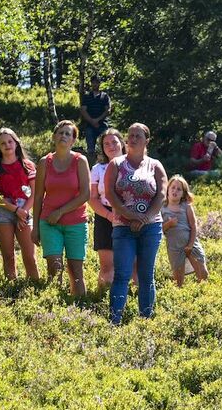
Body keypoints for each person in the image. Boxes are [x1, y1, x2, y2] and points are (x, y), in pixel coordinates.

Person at [104, 123, 168, 324]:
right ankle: (115, 320)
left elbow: (162, 194)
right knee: (122, 275)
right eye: (130, 135)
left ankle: (145, 320)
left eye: (137, 136)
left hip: (151, 227)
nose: (132, 139)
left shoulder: (155, 165)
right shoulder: (116, 164)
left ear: (146, 141)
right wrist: (128, 215)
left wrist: (146, 218)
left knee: (146, 275)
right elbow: (110, 194)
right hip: (123, 227)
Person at [32, 120, 91, 296]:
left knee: (75, 270)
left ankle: (79, 308)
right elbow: (38, 196)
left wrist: (60, 212)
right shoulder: (44, 162)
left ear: (73, 140)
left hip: (76, 223)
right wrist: (35, 227)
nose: (63, 136)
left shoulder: (80, 161)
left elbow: (85, 195)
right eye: (60, 132)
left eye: (68, 134)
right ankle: (53, 310)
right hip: (49, 224)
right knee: (54, 268)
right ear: (54, 137)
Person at [0, 128, 40, 281]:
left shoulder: (28, 165)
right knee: (8, 256)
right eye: (3, 143)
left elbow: (36, 193)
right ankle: (12, 288)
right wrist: (15, 209)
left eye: (10, 141)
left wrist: (23, 211)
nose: (7, 145)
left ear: (16, 143)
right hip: (4, 210)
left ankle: (34, 286)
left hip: (25, 209)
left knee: (30, 255)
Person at [88, 129, 125, 291]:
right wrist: (109, 215)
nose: (111, 146)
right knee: (106, 267)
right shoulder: (97, 169)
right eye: (106, 144)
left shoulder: (135, 164)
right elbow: (92, 198)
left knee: (133, 264)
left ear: (122, 143)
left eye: (114, 142)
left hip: (130, 216)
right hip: (105, 217)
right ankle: (101, 300)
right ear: (102, 148)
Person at [161, 175, 209, 286]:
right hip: (174, 247)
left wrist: (190, 244)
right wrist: (169, 224)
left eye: (179, 189)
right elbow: (159, 230)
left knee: (203, 274)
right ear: (167, 189)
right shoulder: (162, 208)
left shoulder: (186, 206)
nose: (175, 191)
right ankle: (181, 297)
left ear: (183, 193)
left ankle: (202, 294)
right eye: (173, 187)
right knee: (178, 281)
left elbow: (193, 225)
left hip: (190, 243)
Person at [80, 75, 111, 162]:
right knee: (90, 147)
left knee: (106, 143)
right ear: (91, 83)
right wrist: (92, 121)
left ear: (99, 83)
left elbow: (108, 110)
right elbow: (83, 110)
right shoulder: (87, 96)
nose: (95, 84)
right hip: (89, 125)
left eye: (97, 82)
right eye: (93, 82)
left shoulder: (105, 96)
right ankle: (91, 163)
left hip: (102, 124)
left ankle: (107, 161)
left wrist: (97, 120)